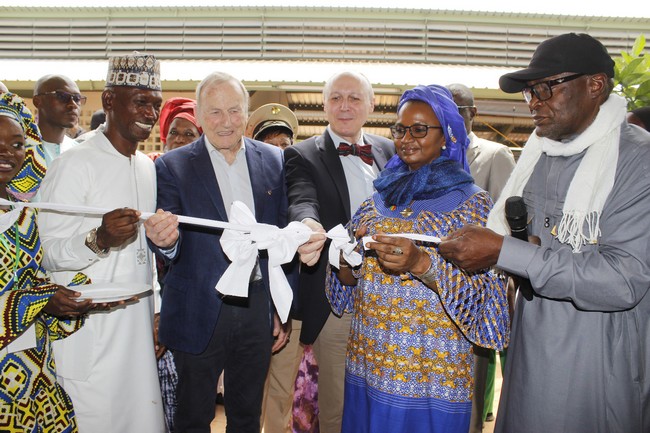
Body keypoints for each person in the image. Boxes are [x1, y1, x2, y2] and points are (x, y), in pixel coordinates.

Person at [438, 33, 650, 432]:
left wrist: (506, 253)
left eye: (546, 88)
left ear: (595, 85)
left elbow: (623, 279)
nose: (534, 103)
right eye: (529, 92)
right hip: (530, 344)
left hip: (596, 357)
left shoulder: (638, 159)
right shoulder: (542, 153)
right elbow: (534, 244)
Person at [326, 84, 508, 433]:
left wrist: (421, 265)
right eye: (400, 129)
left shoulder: (473, 205)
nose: (406, 139)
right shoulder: (378, 198)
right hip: (369, 360)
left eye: (420, 129)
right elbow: (346, 283)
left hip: (432, 370)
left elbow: (486, 301)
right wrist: (347, 262)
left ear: (448, 135)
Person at [149, 71, 291, 433]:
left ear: (247, 113)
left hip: (256, 306)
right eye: (214, 112)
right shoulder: (172, 166)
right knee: (193, 418)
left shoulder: (274, 160)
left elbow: (281, 239)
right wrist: (166, 240)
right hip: (197, 306)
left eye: (234, 110)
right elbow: (167, 240)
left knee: (246, 417)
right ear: (199, 115)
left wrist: (280, 307)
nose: (226, 122)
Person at [38, 52, 166, 432]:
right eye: (140, 102)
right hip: (91, 330)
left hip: (138, 327)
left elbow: (145, 254)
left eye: (155, 104)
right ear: (109, 100)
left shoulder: (146, 167)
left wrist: (157, 309)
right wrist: (99, 239)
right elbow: (45, 253)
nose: (150, 113)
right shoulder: (74, 163)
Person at [284, 70, 395, 433]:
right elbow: (302, 199)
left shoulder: (390, 151)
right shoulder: (302, 154)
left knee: (384, 396)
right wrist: (308, 226)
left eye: (354, 98)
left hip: (391, 297)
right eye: (336, 98)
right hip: (338, 298)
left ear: (371, 105)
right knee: (338, 407)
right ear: (324, 105)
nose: (344, 106)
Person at [0, 92, 93, 432]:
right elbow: (32, 296)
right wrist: (39, 299)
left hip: (34, 371)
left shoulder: (24, 213)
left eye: (16, 144)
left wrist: (71, 296)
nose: (7, 153)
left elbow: (33, 282)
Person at [447, 82, 516, 430]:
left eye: (458, 110)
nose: (451, 117)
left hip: (478, 281)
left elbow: (506, 222)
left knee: (474, 380)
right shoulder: (429, 155)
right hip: (435, 284)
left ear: (473, 113)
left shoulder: (494, 155)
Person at [32, 74, 85, 165]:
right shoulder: (21, 149)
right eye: (62, 96)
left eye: (77, 99)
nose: (73, 104)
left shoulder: (80, 153)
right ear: (38, 101)